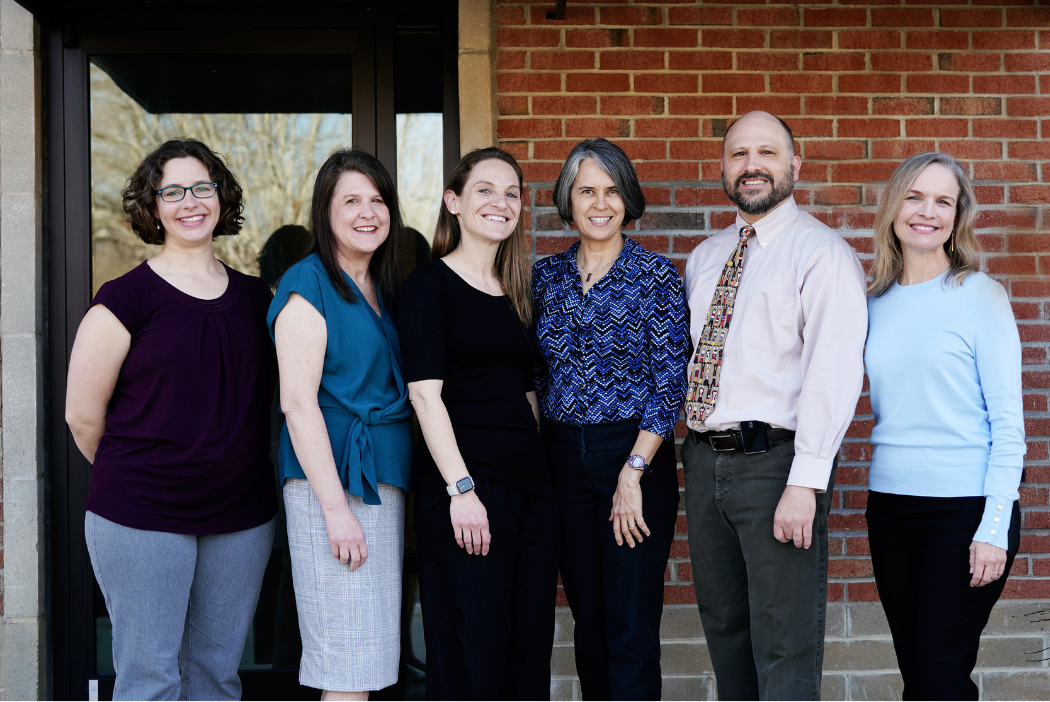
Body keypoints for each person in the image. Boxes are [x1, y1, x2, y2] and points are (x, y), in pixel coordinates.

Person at [65, 139, 277, 700]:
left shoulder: (259, 299)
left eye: (202, 188)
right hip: (143, 512)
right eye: (173, 191)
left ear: (221, 197)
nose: (190, 202)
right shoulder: (124, 299)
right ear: (153, 206)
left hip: (240, 516)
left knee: (216, 676)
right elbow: (82, 417)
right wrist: (144, 473)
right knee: (150, 679)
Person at [681, 111, 868, 700]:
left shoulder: (822, 253)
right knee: (726, 629)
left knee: (784, 640)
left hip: (777, 466)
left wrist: (806, 482)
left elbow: (833, 374)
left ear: (794, 165)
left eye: (767, 152)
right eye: (739, 154)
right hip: (705, 459)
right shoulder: (706, 257)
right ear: (723, 168)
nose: (752, 165)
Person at [532, 138, 690, 700]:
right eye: (587, 190)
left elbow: (669, 382)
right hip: (561, 461)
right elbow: (533, 375)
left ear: (629, 199)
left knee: (629, 624)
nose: (601, 203)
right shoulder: (544, 278)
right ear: (567, 201)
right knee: (589, 620)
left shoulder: (656, 277)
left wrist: (632, 472)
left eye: (613, 190)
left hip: (632, 456)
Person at [397, 147, 557, 700]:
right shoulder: (429, 285)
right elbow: (424, 395)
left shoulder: (516, 289)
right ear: (454, 202)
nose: (501, 202)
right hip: (468, 489)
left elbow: (525, 386)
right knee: (473, 646)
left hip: (530, 489)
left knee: (527, 644)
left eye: (511, 192)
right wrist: (460, 490)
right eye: (485, 189)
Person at [864, 152, 1024, 700]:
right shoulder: (872, 304)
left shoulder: (982, 297)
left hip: (965, 511)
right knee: (922, 676)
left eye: (943, 202)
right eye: (914, 197)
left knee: (937, 676)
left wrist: (994, 527)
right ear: (892, 207)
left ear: (958, 217)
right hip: (889, 509)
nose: (926, 212)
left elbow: (1008, 426)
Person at [268, 150, 411, 700]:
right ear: (324, 212)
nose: (367, 212)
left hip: (376, 486)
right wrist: (334, 511)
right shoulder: (309, 284)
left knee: (366, 660)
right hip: (334, 489)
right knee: (345, 666)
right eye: (350, 200)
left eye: (378, 200)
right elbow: (298, 404)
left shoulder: (378, 285)